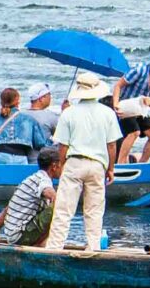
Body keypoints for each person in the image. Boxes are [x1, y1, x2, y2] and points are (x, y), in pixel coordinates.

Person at [45, 71, 120, 251]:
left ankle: (55, 247)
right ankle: (93, 247)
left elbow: (63, 145)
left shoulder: (69, 112)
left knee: (64, 209)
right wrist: (111, 168)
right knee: (94, 210)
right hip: (97, 165)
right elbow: (112, 145)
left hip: (74, 162)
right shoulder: (108, 113)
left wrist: (62, 165)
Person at [0, 145, 66, 245]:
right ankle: (40, 245)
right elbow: (47, 191)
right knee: (58, 205)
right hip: (21, 236)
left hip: (14, 236)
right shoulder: (42, 180)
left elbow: (8, 209)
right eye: (62, 164)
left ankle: (42, 243)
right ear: (54, 166)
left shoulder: (32, 179)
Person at [0, 87, 50, 161]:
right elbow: (40, 143)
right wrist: (52, 142)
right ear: (17, 101)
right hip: (20, 159)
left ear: (1, 101)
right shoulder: (28, 119)